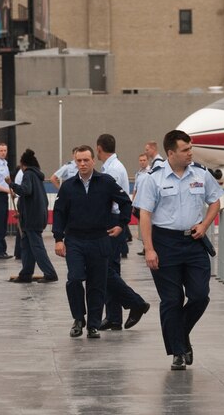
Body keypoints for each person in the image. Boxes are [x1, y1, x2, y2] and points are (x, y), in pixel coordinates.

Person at [136, 130, 223, 370]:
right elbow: (145, 215)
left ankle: (180, 335)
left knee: (199, 295)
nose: (190, 153)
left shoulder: (201, 173)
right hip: (165, 243)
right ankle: (177, 351)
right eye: (185, 150)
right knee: (172, 300)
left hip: (194, 241)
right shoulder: (153, 178)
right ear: (171, 153)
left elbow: (215, 201)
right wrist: (149, 249)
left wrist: (205, 225)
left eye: (190, 148)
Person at [52, 145, 132, 339]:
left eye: (86, 160)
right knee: (74, 279)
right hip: (75, 240)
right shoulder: (68, 186)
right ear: (75, 162)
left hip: (99, 239)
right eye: (78, 160)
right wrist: (58, 239)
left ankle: (93, 325)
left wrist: (121, 225)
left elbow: (126, 202)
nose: (82, 164)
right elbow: (59, 213)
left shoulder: (106, 182)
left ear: (93, 161)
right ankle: (79, 319)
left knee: (97, 284)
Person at [96, 134, 151, 332]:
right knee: (110, 270)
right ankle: (114, 317)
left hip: (112, 220)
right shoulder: (112, 166)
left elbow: (110, 198)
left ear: (99, 148)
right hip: (113, 219)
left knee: (106, 270)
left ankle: (136, 303)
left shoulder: (112, 169)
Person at [6, 149, 58, 283]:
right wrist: (22, 213)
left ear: (24, 165)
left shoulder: (28, 174)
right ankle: (26, 274)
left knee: (36, 247)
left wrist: (11, 184)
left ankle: (50, 273)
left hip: (32, 219)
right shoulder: (36, 176)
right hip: (35, 216)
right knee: (27, 246)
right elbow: (34, 199)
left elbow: (26, 191)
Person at [131, 153, 150, 256]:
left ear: (147, 161)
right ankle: (145, 247)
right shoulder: (138, 174)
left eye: (144, 160)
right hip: (139, 204)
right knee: (142, 227)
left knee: (149, 226)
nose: (142, 162)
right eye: (140, 160)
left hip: (148, 204)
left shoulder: (151, 172)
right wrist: (133, 203)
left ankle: (149, 247)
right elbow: (135, 189)